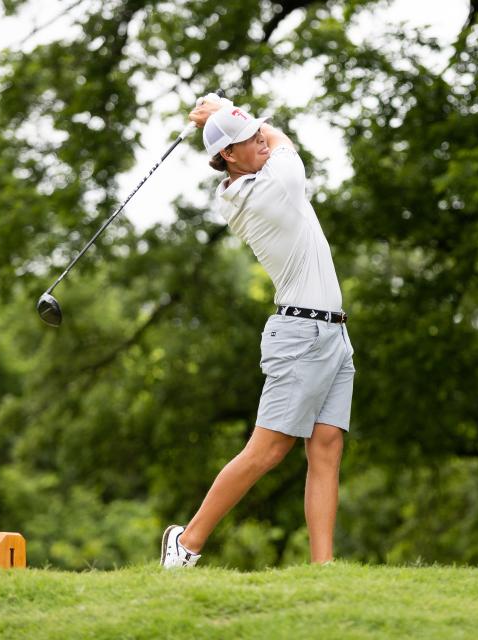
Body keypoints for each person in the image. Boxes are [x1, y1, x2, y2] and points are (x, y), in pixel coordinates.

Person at [160, 97, 355, 568]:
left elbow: (263, 140)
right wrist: (226, 109)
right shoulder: (271, 187)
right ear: (229, 155)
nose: (261, 142)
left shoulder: (254, 178)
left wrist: (227, 120)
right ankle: (186, 544)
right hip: (302, 333)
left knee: (327, 448)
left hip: (332, 334)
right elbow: (283, 139)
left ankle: (323, 570)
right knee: (268, 450)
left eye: (256, 135)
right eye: (249, 140)